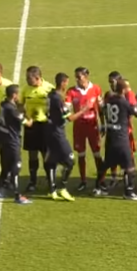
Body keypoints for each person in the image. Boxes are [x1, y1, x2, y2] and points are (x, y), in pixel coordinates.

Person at [93, 79, 137, 201]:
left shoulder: (109, 100)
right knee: (129, 166)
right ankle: (129, 192)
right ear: (124, 89)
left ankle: (98, 188)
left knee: (107, 164)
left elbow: (103, 109)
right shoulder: (123, 102)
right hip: (121, 138)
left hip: (111, 137)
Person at [45, 73, 88, 202]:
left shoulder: (50, 95)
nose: (67, 85)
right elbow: (69, 118)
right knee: (70, 160)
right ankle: (62, 188)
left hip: (49, 131)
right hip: (58, 133)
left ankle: (52, 190)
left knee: (51, 160)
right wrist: (83, 110)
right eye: (66, 82)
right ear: (63, 83)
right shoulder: (58, 99)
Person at [0, 85, 34, 204]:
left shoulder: (2, 104)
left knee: (6, 166)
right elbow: (28, 123)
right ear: (14, 95)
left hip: (3, 139)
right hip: (12, 141)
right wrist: (30, 115)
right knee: (16, 166)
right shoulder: (12, 110)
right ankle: (17, 195)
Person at [66, 67, 103, 191]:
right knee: (81, 154)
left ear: (86, 76)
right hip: (79, 127)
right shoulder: (71, 91)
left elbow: (101, 108)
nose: (77, 79)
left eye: (79, 77)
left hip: (93, 126)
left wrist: (102, 124)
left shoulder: (96, 89)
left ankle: (101, 179)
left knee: (97, 153)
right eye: (76, 77)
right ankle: (83, 181)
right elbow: (67, 108)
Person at [21, 66, 55, 192]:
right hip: (31, 125)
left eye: (29, 79)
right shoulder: (25, 89)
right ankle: (32, 181)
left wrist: (49, 116)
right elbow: (20, 104)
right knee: (32, 154)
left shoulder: (49, 89)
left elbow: (56, 105)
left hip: (45, 126)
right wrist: (25, 117)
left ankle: (50, 181)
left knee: (47, 154)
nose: (27, 81)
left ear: (38, 78)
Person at [103, 72, 137, 190]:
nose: (111, 85)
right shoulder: (108, 95)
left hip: (125, 131)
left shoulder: (128, 94)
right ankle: (114, 179)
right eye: (110, 82)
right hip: (112, 131)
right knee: (111, 157)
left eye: (113, 82)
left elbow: (132, 113)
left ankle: (127, 181)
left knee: (128, 157)